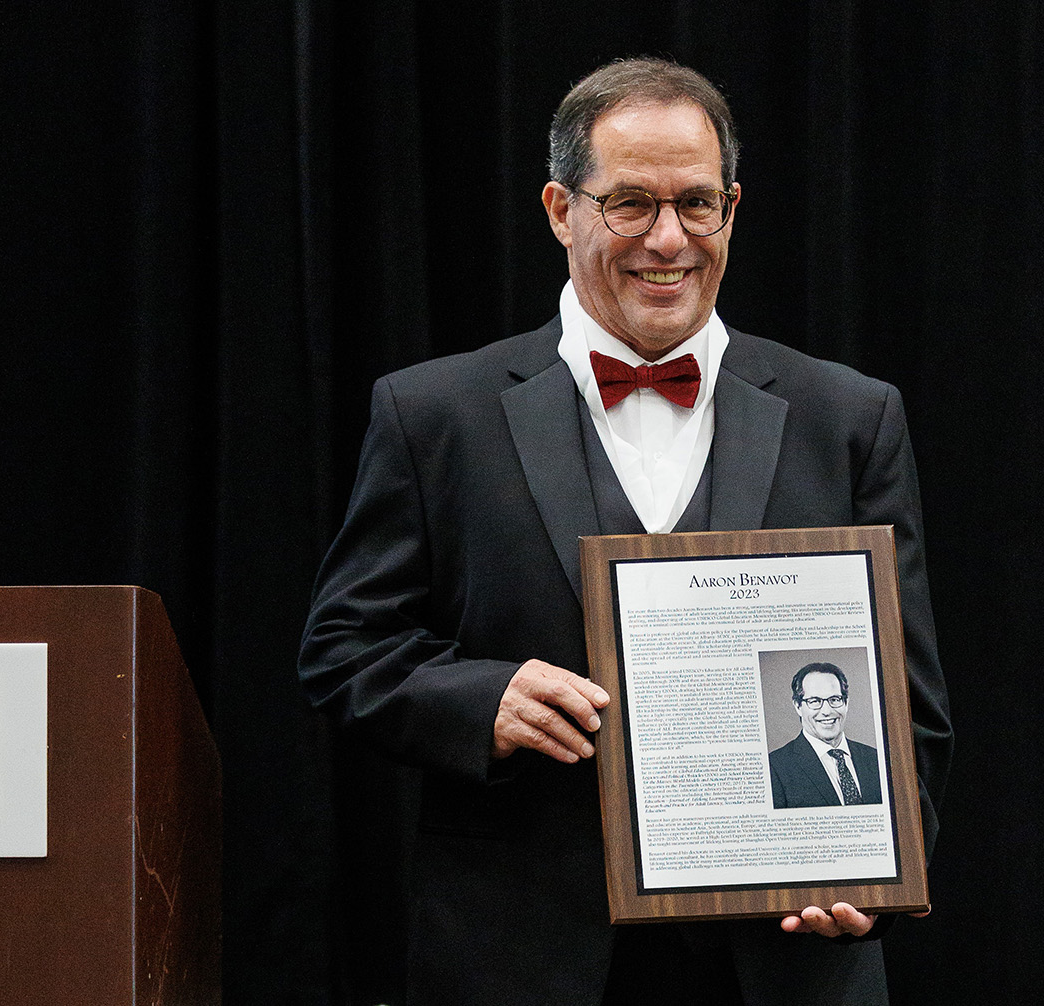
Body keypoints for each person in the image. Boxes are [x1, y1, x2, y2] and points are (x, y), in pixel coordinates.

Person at [299, 57, 953, 1006]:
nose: (669, 239)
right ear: (562, 209)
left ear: (732, 206)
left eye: (697, 204)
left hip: (784, 965)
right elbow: (342, 650)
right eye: (631, 203)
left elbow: (911, 700)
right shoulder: (434, 414)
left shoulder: (848, 417)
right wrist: (483, 697)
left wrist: (879, 881)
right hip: (524, 958)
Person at [769, 662, 883, 808]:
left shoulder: (876, 759)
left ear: (846, 703)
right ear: (798, 706)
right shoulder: (775, 768)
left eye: (835, 700)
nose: (827, 711)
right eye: (815, 701)